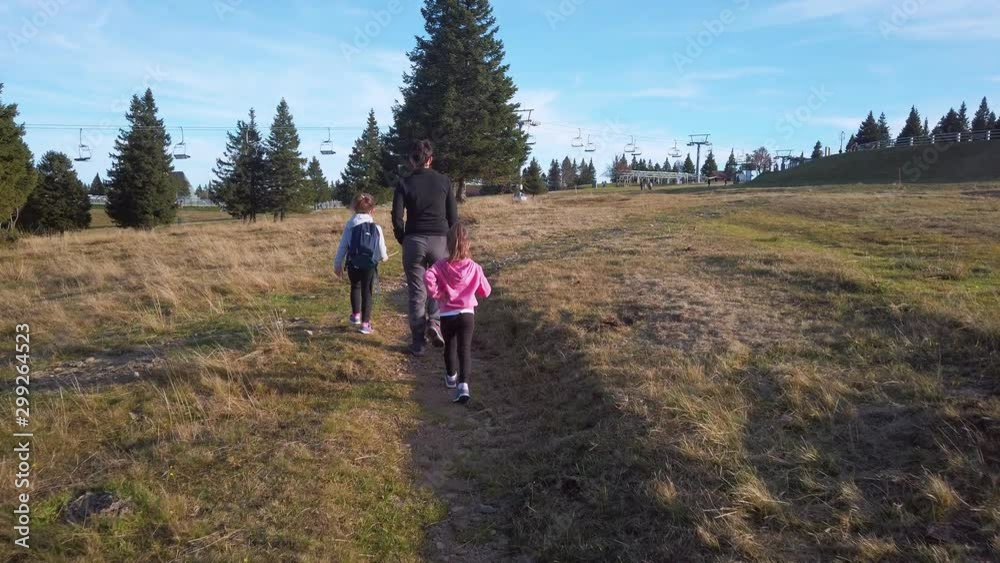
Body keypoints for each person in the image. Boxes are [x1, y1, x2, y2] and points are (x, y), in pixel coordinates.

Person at [392, 139, 459, 356]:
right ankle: (435, 323)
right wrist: (452, 242)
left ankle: (418, 343)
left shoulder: (404, 183)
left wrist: (403, 237)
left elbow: (397, 217)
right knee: (438, 285)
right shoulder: (444, 181)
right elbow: (453, 217)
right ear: (430, 159)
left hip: (414, 240)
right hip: (440, 240)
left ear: (411, 160)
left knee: (417, 291)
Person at [424, 222, 491, 404]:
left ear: (448, 244)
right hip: (467, 314)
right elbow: (486, 291)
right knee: (464, 349)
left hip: (447, 314)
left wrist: (437, 293)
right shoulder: (474, 267)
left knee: (450, 347)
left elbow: (428, 276)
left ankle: (451, 377)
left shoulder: (440, 265)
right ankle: (464, 386)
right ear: (467, 244)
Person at [334, 193, 389, 335]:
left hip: (353, 263)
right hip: (369, 264)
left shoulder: (350, 225)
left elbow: (343, 246)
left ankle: (356, 316)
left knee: (355, 286)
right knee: (367, 291)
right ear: (372, 210)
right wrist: (384, 257)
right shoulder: (376, 227)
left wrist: (338, 263)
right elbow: (381, 248)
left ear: (354, 208)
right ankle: (365, 324)